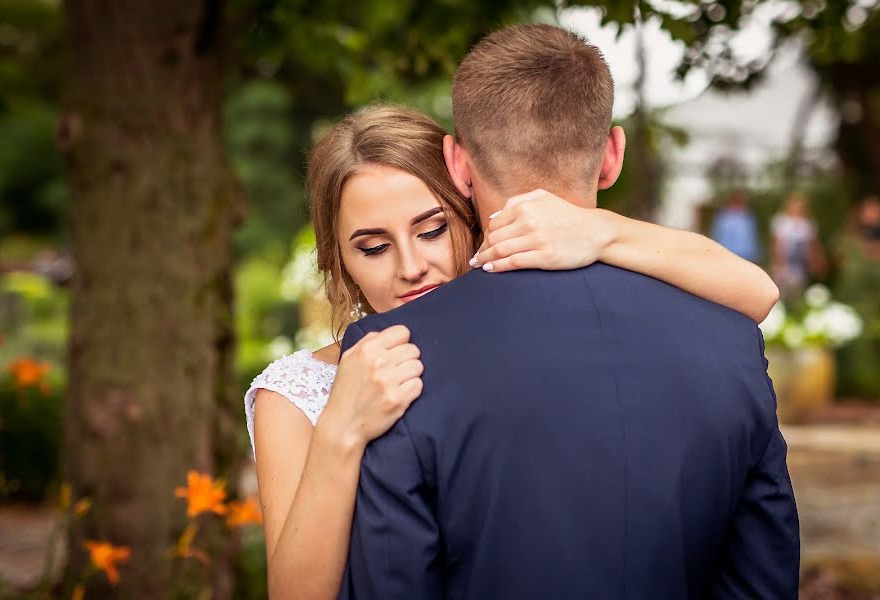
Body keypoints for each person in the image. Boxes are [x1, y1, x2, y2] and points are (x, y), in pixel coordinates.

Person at [336, 25, 799, 599]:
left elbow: (392, 581)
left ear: (457, 163)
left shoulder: (391, 352)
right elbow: (763, 577)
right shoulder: (730, 338)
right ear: (612, 156)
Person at [771, 191, 826, 298]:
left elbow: (812, 246)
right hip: (784, 265)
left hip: (800, 265)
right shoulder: (781, 221)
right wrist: (776, 262)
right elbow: (775, 244)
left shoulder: (808, 224)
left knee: (798, 292)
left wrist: (816, 262)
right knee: (781, 293)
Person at [711, 189, 761, 263]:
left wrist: (755, 255)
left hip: (746, 256)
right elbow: (717, 235)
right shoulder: (723, 216)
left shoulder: (748, 216)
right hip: (726, 255)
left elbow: (752, 238)